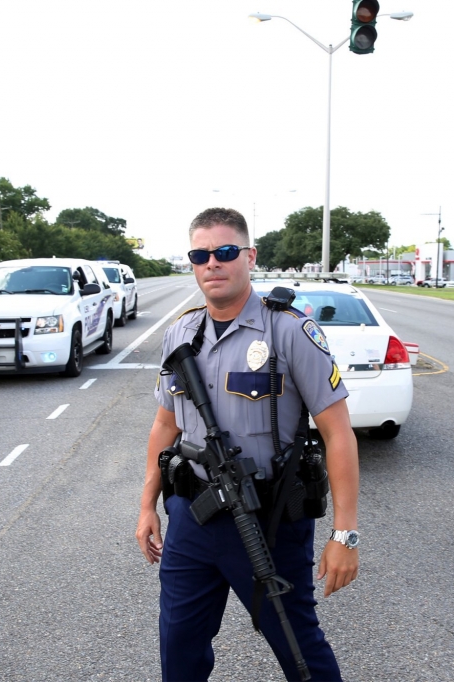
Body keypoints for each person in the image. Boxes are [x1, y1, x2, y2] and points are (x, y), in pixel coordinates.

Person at [136, 207, 360, 681]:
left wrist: (345, 535)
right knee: (178, 648)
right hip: (192, 520)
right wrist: (146, 506)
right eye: (201, 254)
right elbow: (164, 425)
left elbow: (339, 432)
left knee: (299, 649)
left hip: (269, 522)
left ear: (249, 256)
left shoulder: (290, 331)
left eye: (224, 251)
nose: (212, 263)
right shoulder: (181, 334)